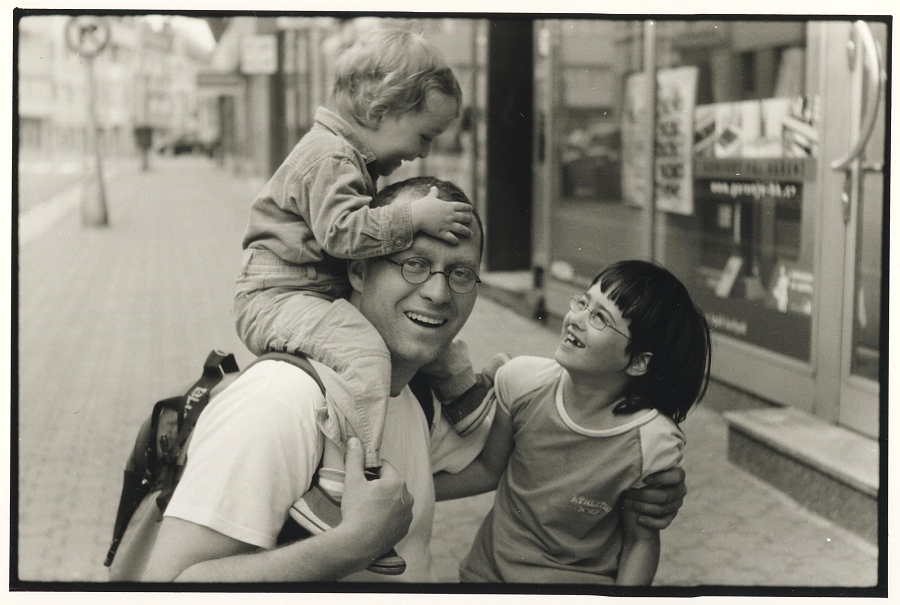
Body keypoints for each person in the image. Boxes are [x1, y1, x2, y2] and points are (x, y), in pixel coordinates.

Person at [138, 177, 687, 583]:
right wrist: (350, 546)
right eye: (414, 264)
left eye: (461, 273)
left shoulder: (412, 396)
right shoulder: (281, 404)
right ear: (358, 269)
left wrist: (645, 485)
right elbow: (167, 585)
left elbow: (509, 460)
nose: (439, 293)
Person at [232, 27, 492, 571]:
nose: (424, 152)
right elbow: (341, 235)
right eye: (425, 135)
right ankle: (352, 482)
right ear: (382, 109)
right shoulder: (329, 156)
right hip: (278, 296)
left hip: (310, 289)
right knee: (368, 352)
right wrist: (415, 216)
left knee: (423, 330)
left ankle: (468, 400)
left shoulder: (350, 158)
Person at [435, 260, 712, 585]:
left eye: (600, 318)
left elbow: (641, 541)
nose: (575, 318)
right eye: (583, 302)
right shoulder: (521, 381)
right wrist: (415, 489)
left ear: (638, 362)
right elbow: (488, 470)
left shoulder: (652, 442)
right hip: (487, 577)